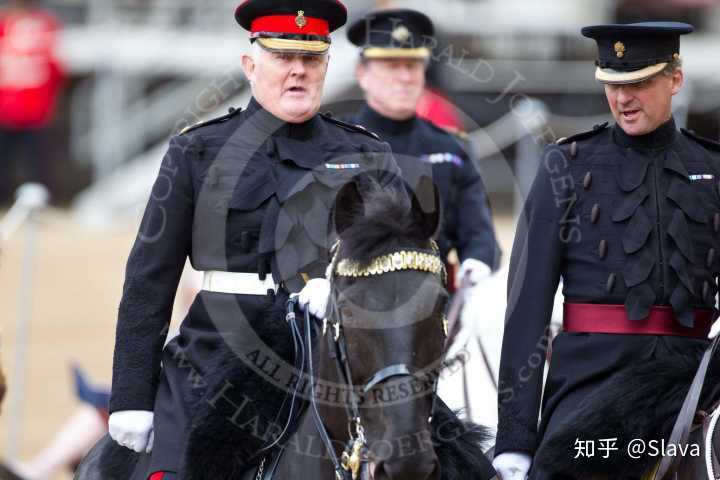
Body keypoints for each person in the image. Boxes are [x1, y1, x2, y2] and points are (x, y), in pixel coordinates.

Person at [105, 1, 403, 478]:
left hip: (335, 359)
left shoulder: (366, 154)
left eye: (311, 60)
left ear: (327, 65)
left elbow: (405, 263)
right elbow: (149, 280)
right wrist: (130, 398)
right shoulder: (196, 151)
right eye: (283, 57)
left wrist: (347, 289)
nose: (298, 72)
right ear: (251, 65)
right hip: (215, 357)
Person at [493, 22, 720, 479]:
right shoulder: (566, 165)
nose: (623, 99)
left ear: (674, 80)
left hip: (696, 384)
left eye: (638, 83)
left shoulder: (713, 168)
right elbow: (527, 313)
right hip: (592, 388)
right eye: (613, 85)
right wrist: (514, 440)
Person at [346, 8, 501, 289]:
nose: (405, 77)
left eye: (413, 65)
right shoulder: (338, 143)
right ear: (362, 74)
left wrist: (477, 264)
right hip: (356, 300)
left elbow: (479, 234)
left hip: (435, 301)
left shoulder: (450, 147)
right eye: (392, 66)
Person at [0, 0, 64, 204]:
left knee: (35, 162)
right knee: (17, 161)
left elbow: (54, 70)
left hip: (29, 109)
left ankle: (39, 202)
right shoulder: (43, 26)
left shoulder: (41, 27)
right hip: (16, 108)